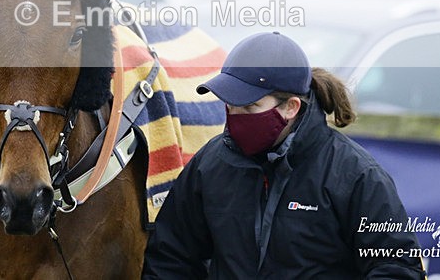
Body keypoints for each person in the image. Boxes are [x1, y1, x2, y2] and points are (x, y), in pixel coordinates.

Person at [142, 31, 425, 279]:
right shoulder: (210, 165)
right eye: (230, 105)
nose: (235, 116)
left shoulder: (357, 176)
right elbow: (171, 258)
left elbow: (396, 267)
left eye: (250, 106)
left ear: (291, 107)